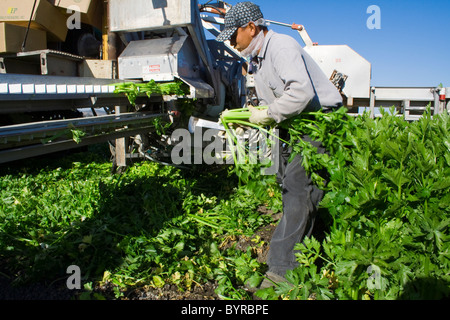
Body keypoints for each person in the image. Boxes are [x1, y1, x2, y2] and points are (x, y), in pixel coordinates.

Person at [216, 2, 343, 289]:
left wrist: (267, 114)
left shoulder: (281, 46)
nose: (233, 42)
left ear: (251, 28)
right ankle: (305, 245)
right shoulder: (257, 60)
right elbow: (266, 102)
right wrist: (249, 118)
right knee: (285, 181)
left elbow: (300, 92)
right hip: (292, 123)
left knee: (299, 187)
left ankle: (282, 271)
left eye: (234, 35)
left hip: (315, 121)